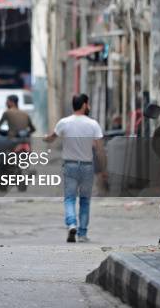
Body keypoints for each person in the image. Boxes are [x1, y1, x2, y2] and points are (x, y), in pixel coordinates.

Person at [44, 94, 107, 243]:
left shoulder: (64, 123)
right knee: (85, 200)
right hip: (86, 166)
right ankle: (83, 233)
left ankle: (72, 224)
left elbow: (52, 137)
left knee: (70, 198)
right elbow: (100, 150)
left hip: (70, 165)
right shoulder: (93, 124)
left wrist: (45, 137)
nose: (89, 107)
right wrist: (103, 169)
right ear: (85, 105)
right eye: (88, 104)